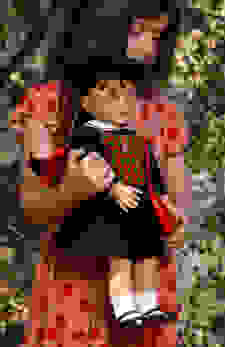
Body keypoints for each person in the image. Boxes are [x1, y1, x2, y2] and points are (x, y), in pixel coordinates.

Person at [5, 0, 190, 347]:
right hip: (72, 294)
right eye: (138, 32)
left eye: (158, 37)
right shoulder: (49, 104)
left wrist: (169, 220)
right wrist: (77, 187)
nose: (148, 49)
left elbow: (178, 212)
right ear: (101, 25)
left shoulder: (163, 117)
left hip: (140, 298)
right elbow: (32, 206)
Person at [30, 63, 179, 327]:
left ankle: (149, 306)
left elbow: (154, 176)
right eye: (110, 94)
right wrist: (114, 187)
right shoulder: (88, 134)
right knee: (120, 261)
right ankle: (124, 310)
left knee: (146, 258)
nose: (121, 102)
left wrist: (167, 203)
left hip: (143, 207)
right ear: (86, 101)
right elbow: (90, 163)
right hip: (113, 209)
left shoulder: (138, 140)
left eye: (126, 95)